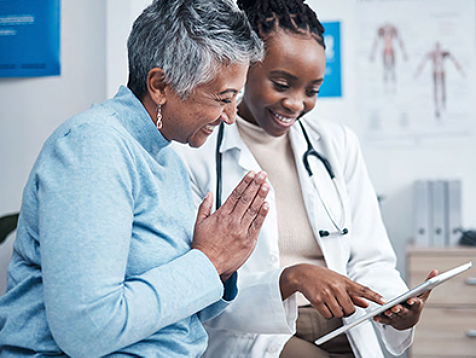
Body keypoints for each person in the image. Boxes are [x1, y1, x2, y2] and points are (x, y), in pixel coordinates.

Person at [0, 0, 268, 357]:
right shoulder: (92, 148)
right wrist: (209, 261)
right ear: (160, 85)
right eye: (223, 98)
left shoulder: (165, 156)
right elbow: (88, 329)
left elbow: (173, 316)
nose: (231, 117)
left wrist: (221, 266)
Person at [173, 0, 436, 357]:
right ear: (244, 66)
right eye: (282, 84)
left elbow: (370, 259)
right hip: (255, 332)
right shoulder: (194, 153)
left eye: (311, 91)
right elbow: (195, 285)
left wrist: (391, 306)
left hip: (349, 322)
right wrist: (290, 278)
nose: (296, 104)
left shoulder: (336, 143)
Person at [414, 41, 465, 119]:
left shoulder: (443, 53)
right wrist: (418, 72)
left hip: (441, 72)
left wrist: (460, 70)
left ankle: (443, 103)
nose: (437, 49)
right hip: (435, 72)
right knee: (436, 89)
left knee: (442, 88)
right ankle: (437, 107)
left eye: (438, 48)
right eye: (436, 48)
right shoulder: (432, 53)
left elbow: (453, 60)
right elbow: (423, 62)